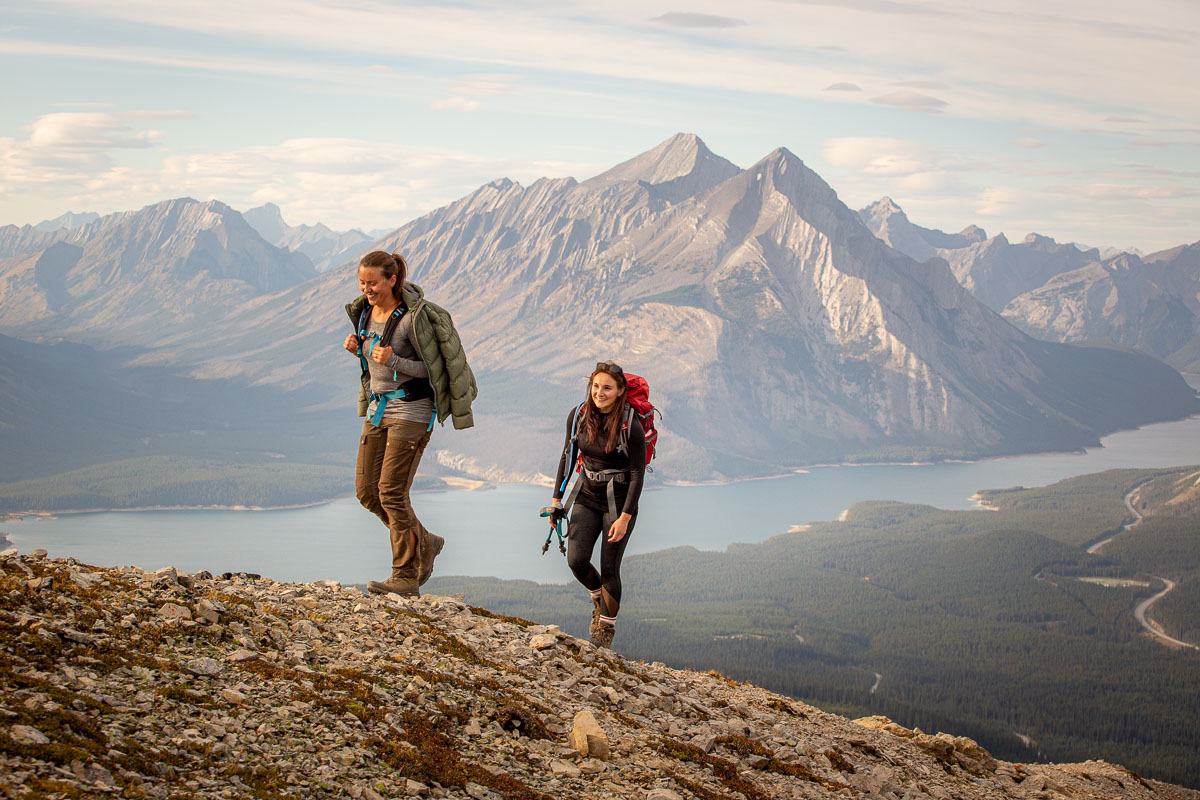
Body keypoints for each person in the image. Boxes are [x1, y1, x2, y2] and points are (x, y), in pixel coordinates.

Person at [344, 250, 471, 597]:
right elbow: (374, 364)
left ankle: (405, 574)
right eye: (362, 282)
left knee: (391, 493)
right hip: (378, 410)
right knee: (367, 493)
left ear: (392, 280)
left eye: (373, 283)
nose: (367, 289)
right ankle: (425, 541)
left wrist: (396, 360)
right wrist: (359, 349)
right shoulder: (366, 313)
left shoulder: (412, 320)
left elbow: (435, 371)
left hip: (411, 412)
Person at [550, 361, 646, 648]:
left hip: (619, 503)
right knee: (576, 560)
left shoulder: (632, 425)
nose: (599, 393)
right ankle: (598, 598)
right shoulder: (579, 414)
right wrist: (557, 501)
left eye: (607, 388)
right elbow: (567, 457)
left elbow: (637, 474)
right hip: (587, 494)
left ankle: (604, 632)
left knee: (609, 568)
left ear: (619, 391)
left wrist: (625, 518)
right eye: (595, 386)